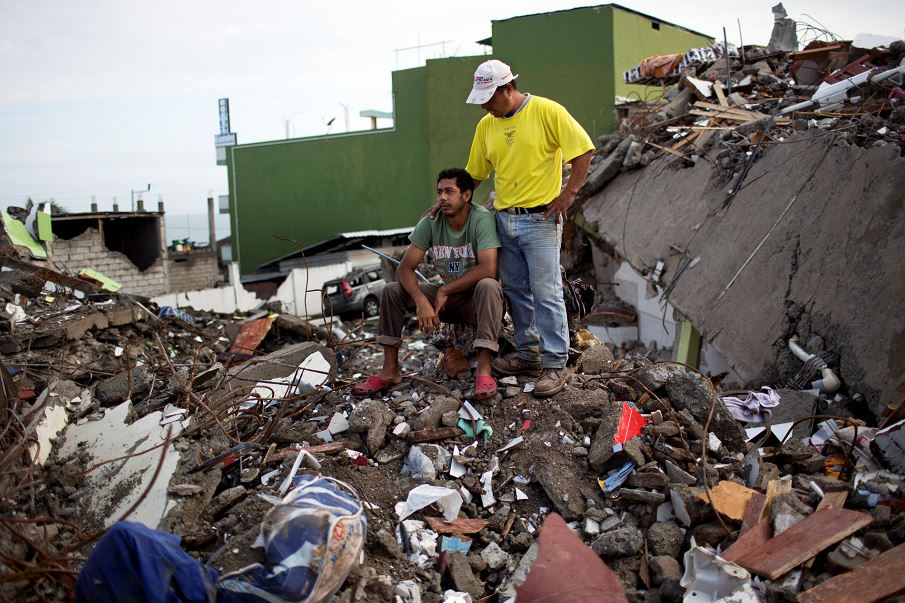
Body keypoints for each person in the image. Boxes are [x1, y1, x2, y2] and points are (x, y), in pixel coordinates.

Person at [464, 59, 594, 398]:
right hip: (504, 219)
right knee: (517, 291)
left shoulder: (547, 112)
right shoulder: (486, 126)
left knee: (546, 291)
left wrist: (569, 194)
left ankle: (555, 364)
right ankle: (529, 354)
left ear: (507, 89)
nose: (485, 107)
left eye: (489, 98)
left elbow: (583, 151)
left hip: (541, 219)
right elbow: (476, 173)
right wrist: (456, 199)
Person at [352, 168, 504, 399]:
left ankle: (484, 370)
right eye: (439, 192)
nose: (442, 197)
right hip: (447, 303)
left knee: (488, 285)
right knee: (392, 291)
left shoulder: (481, 219)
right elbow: (404, 268)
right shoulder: (432, 222)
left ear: (466, 195)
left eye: (449, 192)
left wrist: (445, 288)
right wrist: (421, 300)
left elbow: (488, 268)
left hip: (478, 302)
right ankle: (390, 371)